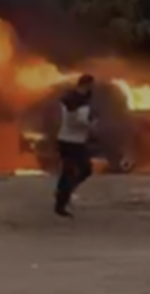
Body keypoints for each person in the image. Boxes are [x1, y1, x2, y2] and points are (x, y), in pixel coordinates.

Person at [54, 74, 96, 218]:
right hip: (70, 141)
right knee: (74, 171)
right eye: (91, 85)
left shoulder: (80, 99)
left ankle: (63, 195)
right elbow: (73, 121)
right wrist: (90, 126)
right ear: (86, 84)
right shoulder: (72, 100)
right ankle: (61, 202)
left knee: (75, 171)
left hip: (74, 140)